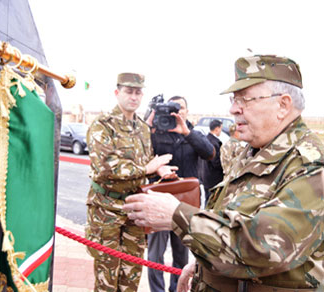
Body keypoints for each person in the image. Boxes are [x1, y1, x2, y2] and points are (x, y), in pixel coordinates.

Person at [123, 55, 324, 291]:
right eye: (234, 99)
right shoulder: (257, 151)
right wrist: (203, 267)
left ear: (283, 105)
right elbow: (230, 217)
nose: (233, 109)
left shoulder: (310, 164)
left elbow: (266, 247)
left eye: (245, 100)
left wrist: (177, 216)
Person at [85, 72, 178, 292]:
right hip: (106, 210)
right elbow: (105, 166)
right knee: (107, 278)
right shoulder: (103, 124)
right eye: (128, 91)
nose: (134, 97)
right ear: (117, 93)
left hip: (134, 209)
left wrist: (159, 169)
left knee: (131, 277)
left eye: (138, 92)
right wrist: (147, 168)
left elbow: (146, 162)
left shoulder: (143, 129)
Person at [146, 96, 215, 292]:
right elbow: (142, 153)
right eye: (171, 108)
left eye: (180, 108)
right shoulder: (156, 131)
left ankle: (177, 289)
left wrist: (187, 132)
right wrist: (149, 126)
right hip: (158, 199)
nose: (176, 113)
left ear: (186, 111)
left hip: (184, 202)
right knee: (155, 255)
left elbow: (209, 153)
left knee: (181, 254)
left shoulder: (193, 133)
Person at [199, 119, 224, 204]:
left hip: (204, 176)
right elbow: (216, 162)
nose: (221, 131)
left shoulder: (205, 139)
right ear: (217, 129)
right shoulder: (214, 143)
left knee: (207, 199)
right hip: (213, 178)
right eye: (221, 128)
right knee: (211, 201)